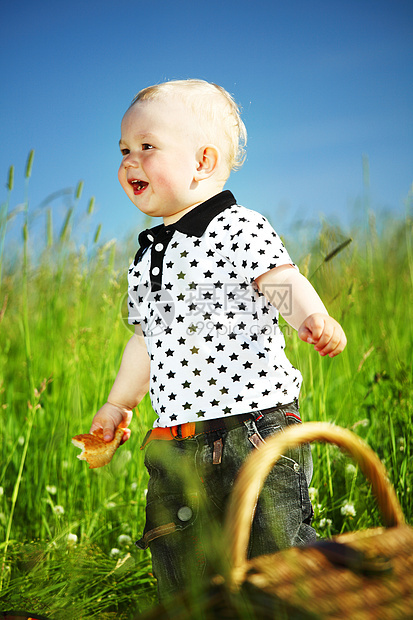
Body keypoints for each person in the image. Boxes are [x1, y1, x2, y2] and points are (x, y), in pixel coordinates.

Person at [90, 79, 347, 600]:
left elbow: (278, 279)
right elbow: (146, 339)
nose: (129, 162)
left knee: (273, 548)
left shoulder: (237, 227)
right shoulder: (146, 258)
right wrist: (119, 402)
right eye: (123, 150)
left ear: (202, 162)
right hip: (176, 439)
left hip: (250, 424)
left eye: (146, 147)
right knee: (181, 564)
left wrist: (311, 319)